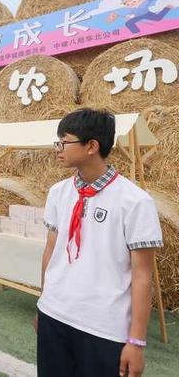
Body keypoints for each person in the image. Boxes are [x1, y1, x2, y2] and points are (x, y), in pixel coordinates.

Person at [36, 109, 163, 377]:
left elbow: (142, 275)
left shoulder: (135, 202)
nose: (57, 148)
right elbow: (51, 251)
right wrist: (43, 303)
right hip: (54, 316)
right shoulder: (58, 193)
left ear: (92, 146)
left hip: (102, 328)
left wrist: (136, 342)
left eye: (64, 141)